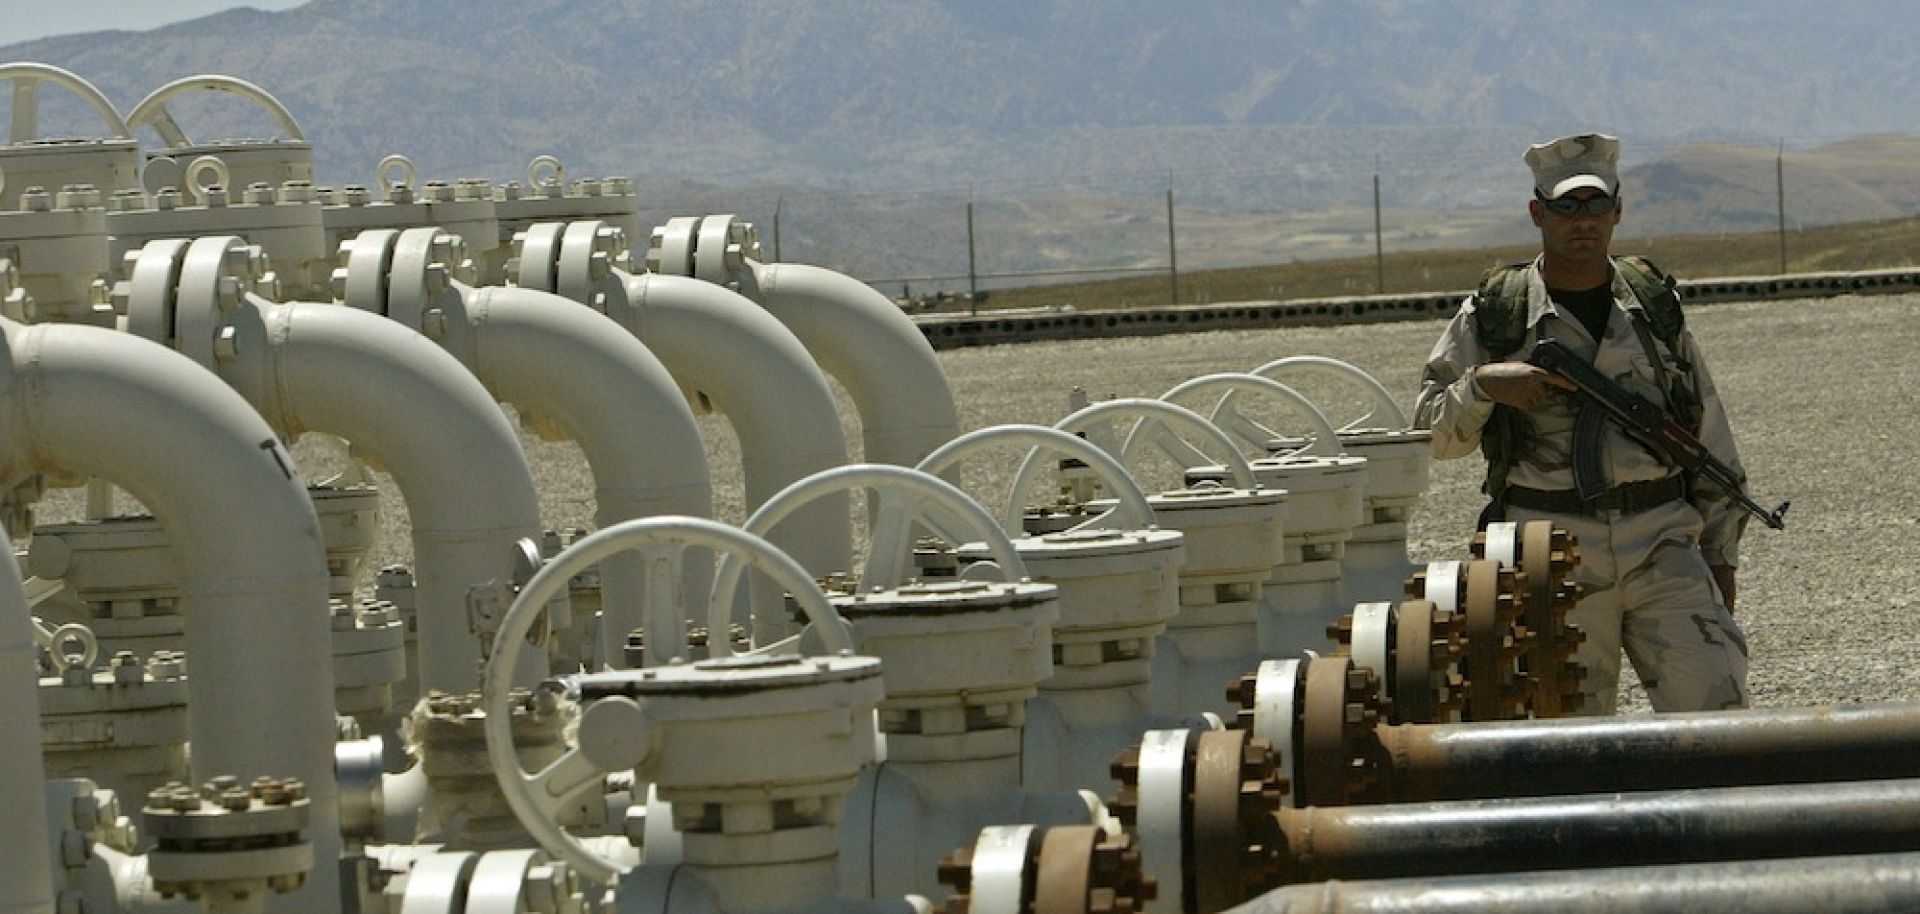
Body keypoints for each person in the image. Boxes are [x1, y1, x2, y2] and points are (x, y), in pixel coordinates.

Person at [1413, 132, 1749, 714]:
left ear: (1618, 209)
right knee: (1569, 746)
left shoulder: (1654, 308)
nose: (1582, 220)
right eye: (1565, 206)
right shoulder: (1497, 311)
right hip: (1549, 559)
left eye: (1596, 204)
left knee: (1718, 725)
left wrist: (1720, 557)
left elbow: (1707, 436)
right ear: (1537, 212)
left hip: (1662, 543)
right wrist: (1487, 384)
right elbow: (1431, 434)